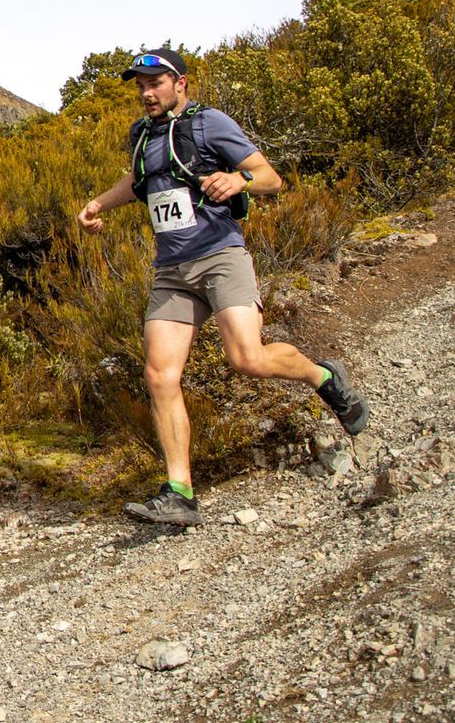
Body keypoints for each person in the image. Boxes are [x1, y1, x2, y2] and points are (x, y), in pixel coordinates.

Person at [77, 48, 368, 527]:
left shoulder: (209, 123)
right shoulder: (142, 134)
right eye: (141, 86)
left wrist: (238, 180)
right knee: (159, 375)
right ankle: (180, 492)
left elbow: (271, 177)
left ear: (181, 84)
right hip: (172, 270)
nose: (147, 93)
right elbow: (140, 181)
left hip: (220, 257)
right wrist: (98, 203)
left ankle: (324, 377)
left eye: (157, 84)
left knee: (247, 359)